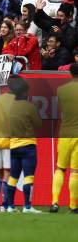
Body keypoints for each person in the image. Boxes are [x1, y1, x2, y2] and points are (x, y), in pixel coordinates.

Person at [4, 76, 42, 213]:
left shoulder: (10, 107)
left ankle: (10, 206)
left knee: (13, 177)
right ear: (25, 93)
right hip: (28, 146)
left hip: (13, 146)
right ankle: (27, 206)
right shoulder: (30, 107)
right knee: (28, 176)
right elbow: (39, 124)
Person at [51, 63, 78, 214]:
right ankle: (73, 206)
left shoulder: (62, 90)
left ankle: (55, 202)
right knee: (75, 171)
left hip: (65, 133)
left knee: (60, 168)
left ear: (70, 73)